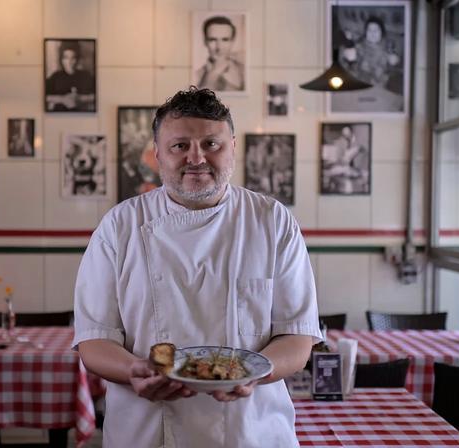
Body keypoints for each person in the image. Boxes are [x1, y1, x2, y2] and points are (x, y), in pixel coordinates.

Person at [73, 87, 321, 446]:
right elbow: (94, 340)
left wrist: (252, 375)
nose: (197, 158)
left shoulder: (271, 221)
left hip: (250, 432)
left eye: (211, 144)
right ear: (157, 153)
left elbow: (297, 338)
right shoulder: (120, 227)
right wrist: (133, 370)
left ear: (233, 147)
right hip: (149, 431)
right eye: (179, 146)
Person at [195, 16, 245, 91]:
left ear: (233, 41)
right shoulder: (196, 76)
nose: (219, 47)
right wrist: (213, 74)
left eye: (225, 40)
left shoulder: (243, 71)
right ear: (205, 41)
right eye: (212, 40)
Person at [45, 41, 96, 112]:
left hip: (83, 116)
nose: (69, 62)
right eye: (66, 58)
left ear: (77, 59)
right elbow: (44, 96)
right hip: (58, 115)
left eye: (73, 58)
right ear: (61, 60)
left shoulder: (86, 76)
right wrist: (62, 99)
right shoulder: (55, 76)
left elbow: (98, 95)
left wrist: (81, 98)